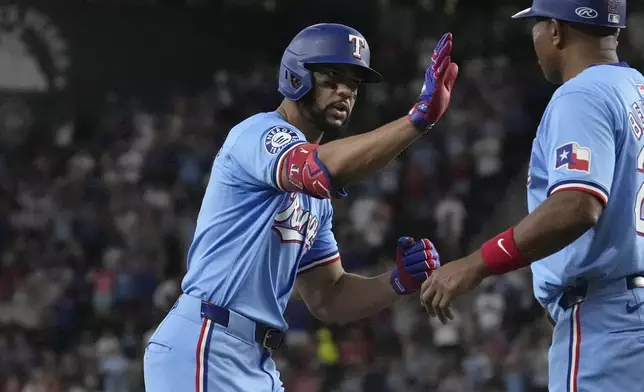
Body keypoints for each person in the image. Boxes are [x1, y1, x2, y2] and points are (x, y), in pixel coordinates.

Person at [143, 23, 458, 391]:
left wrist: (397, 281)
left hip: (254, 358)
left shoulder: (316, 200)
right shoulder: (259, 133)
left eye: (354, 83)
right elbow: (320, 168)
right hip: (205, 343)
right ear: (296, 77)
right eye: (332, 78)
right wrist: (416, 120)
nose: (345, 91)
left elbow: (329, 296)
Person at [419, 0, 644, 390]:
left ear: (556, 30)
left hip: (607, 324)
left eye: (537, 26)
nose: (534, 38)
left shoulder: (582, 95)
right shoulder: (636, 87)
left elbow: (577, 205)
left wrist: (474, 264)